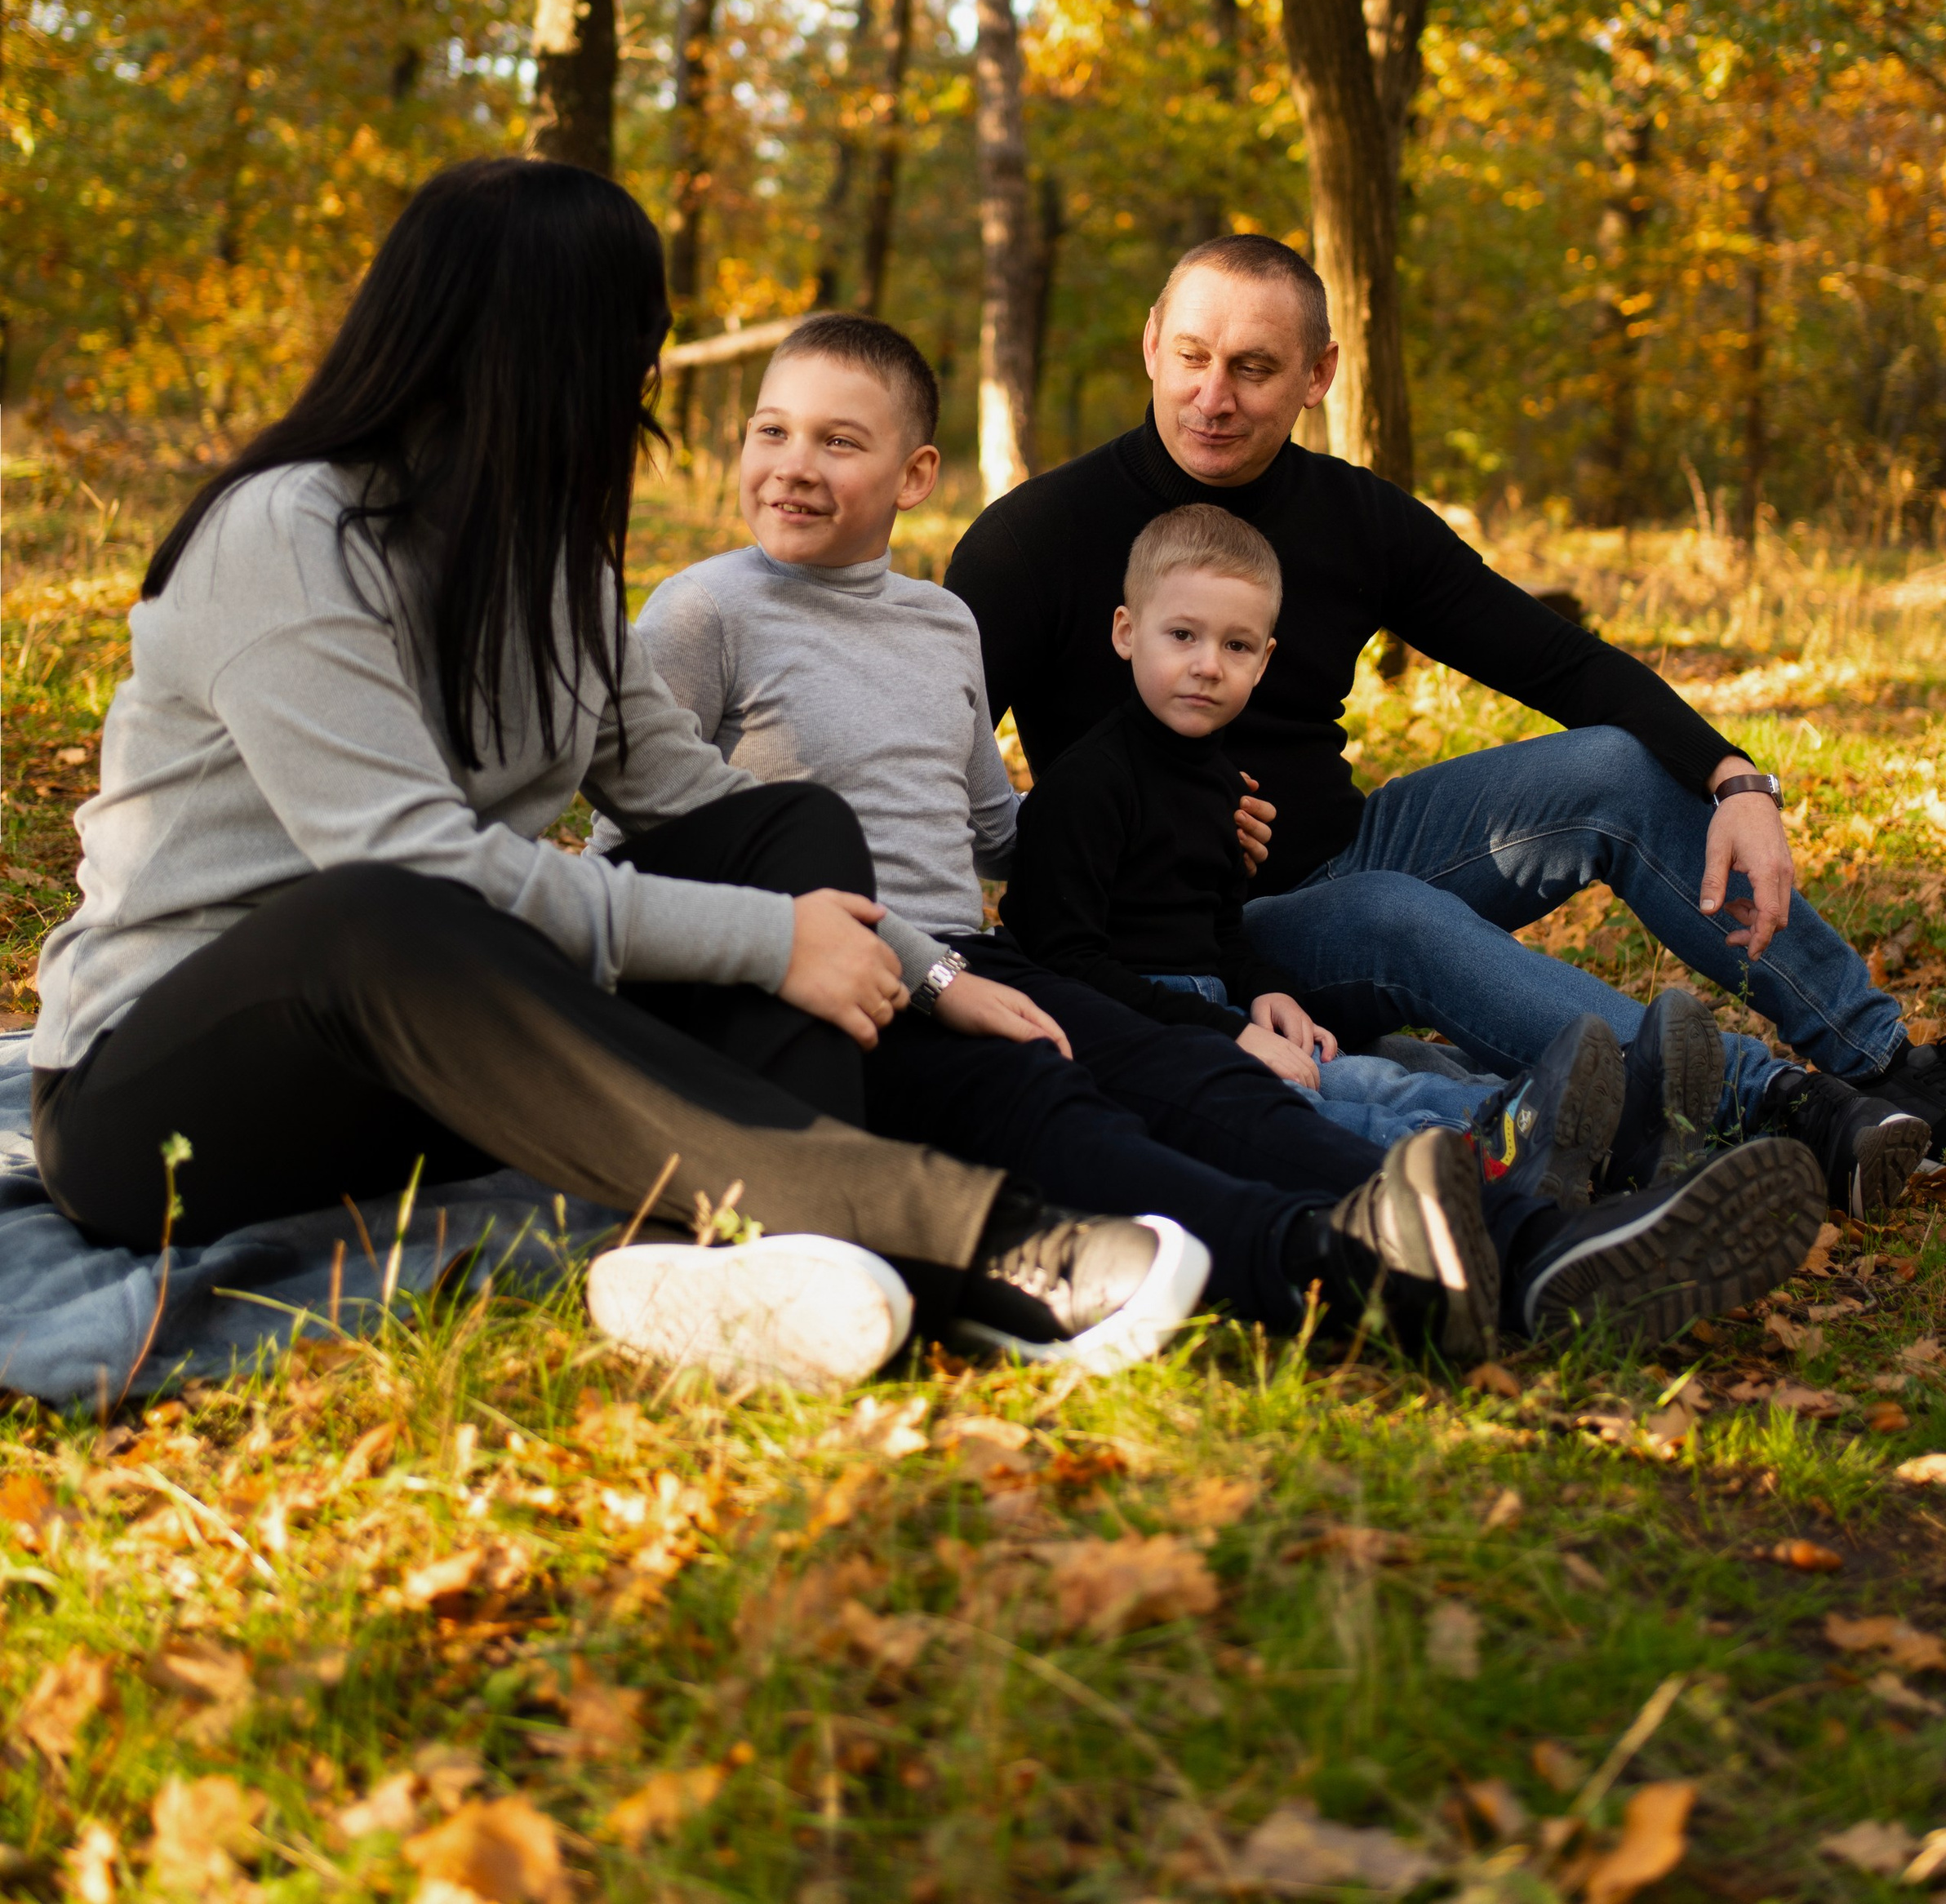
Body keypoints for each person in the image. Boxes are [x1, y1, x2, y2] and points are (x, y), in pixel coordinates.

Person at [28, 158, 1214, 1398]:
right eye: (636, 346)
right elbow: (416, 866)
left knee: (784, 821)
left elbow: (708, 813)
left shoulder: (555, 568)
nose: (644, 383)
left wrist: (929, 967)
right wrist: (768, 943)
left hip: (418, 1070)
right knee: (379, 911)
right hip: (160, 1103)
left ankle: (749, 1268)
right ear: (555, 350)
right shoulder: (286, 534)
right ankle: (953, 1234)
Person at [616, 313, 1828, 1351]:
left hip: (969, 954)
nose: (791, 465)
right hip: (836, 965)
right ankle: (1391, 1245)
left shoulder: (937, 627)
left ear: (916, 473)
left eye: (839, 440)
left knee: (1188, 1061)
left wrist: (1163, 821)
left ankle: (1533, 1238)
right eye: (770, 431)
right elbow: (658, 829)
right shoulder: (705, 611)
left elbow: (988, 823)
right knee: (1069, 1102)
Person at [948, 233, 1946, 1207]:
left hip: (1347, 849)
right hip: (1189, 936)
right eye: (1192, 358)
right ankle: (1761, 1101)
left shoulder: (1358, 518)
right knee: (1390, 916)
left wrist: (1737, 779)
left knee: (1611, 766)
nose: (1215, 394)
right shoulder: (1037, 539)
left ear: (1319, 374)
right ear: (1152, 343)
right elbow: (933, 751)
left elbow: (1559, 661)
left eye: (1255, 367)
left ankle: (1888, 1068)